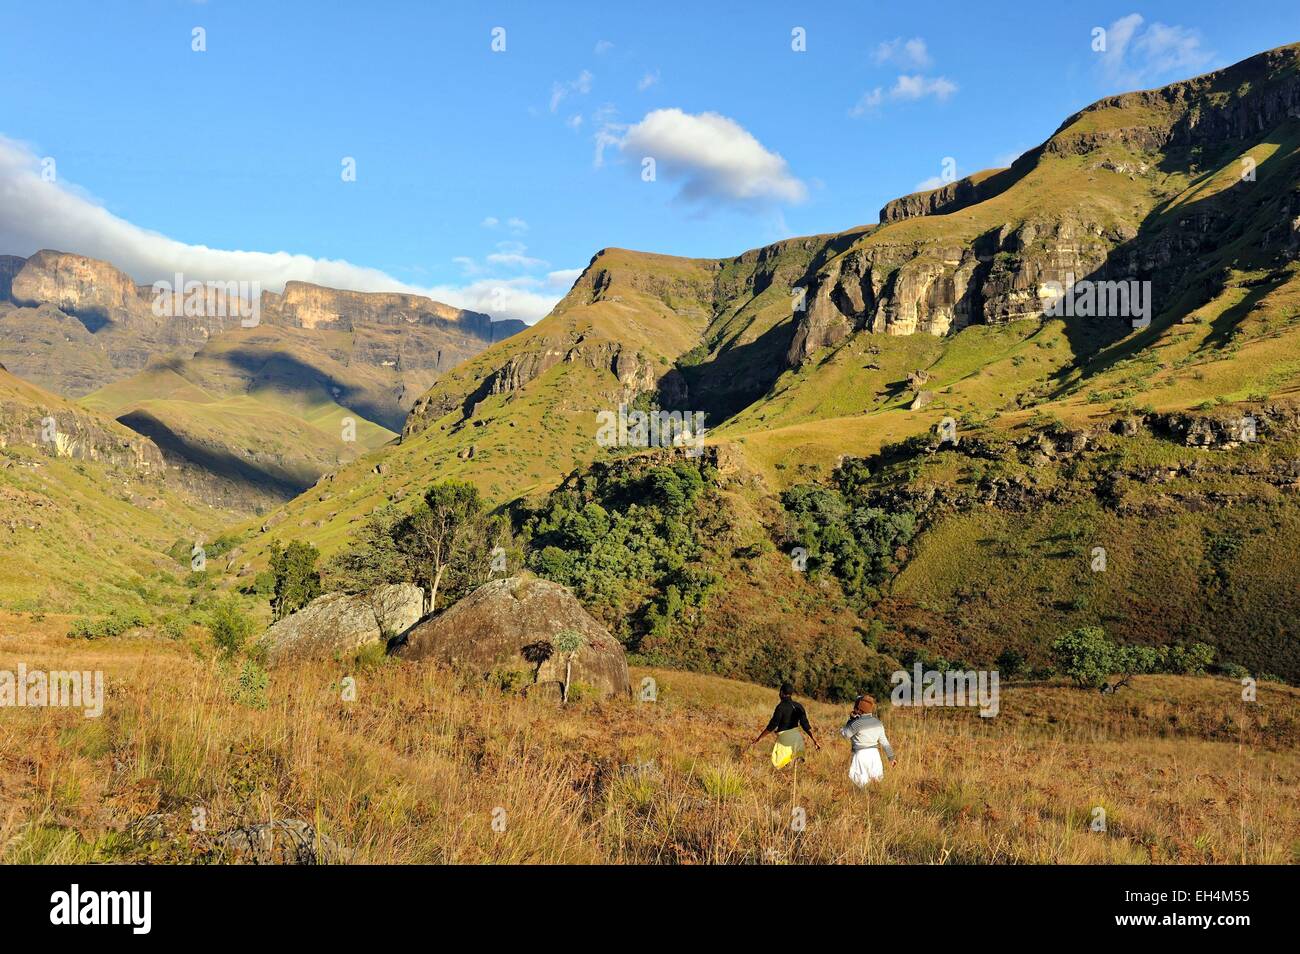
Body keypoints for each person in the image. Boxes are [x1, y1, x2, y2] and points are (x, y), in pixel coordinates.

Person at [747, 682, 820, 767]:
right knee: (796, 769)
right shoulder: (799, 706)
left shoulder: (780, 707)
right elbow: (805, 725)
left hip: (785, 740)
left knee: (782, 767)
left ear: (781, 692)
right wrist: (815, 740)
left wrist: (758, 739)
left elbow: (772, 725)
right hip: (798, 740)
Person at [840, 694, 895, 787]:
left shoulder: (856, 723)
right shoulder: (878, 723)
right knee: (875, 784)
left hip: (861, 755)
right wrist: (891, 757)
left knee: (860, 785)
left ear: (859, 709)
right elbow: (884, 742)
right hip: (875, 755)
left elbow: (845, 734)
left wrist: (850, 720)